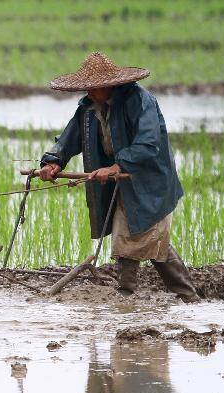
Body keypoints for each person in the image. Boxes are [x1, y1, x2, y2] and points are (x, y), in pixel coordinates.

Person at [37, 52, 200, 302]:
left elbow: (148, 143)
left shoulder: (139, 101)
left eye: (93, 87)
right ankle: (180, 295)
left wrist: (116, 166)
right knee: (142, 236)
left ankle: (132, 294)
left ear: (109, 84)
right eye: (86, 88)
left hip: (148, 181)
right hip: (118, 182)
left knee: (139, 234)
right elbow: (69, 138)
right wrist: (52, 162)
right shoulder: (89, 108)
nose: (89, 92)